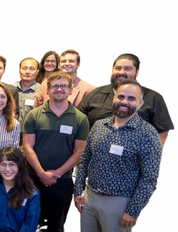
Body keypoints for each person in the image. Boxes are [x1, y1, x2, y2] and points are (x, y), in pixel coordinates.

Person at [74, 79, 163, 231]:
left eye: (131, 98)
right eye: (121, 97)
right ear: (114, 98)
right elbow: (84, 159)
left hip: (119, 204)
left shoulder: (148, 134)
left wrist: (133, 210)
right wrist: (78, 190)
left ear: (140, 103)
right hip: (89, 200)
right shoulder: (99, 125)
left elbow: (149, 178)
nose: (124, 101)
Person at [22, 71, 89, 232]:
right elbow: (27, 147)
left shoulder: (80, 118)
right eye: (55, 86)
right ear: (48, 90)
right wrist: (41, 173)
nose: (59, 89)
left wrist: (56, 173)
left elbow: (79, 152)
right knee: (29, 224)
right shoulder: (34, 115)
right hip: (33, 179)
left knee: (56, 227)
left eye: (63, 86)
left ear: (70, 89)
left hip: (62, 181)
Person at [77, 53, 173, 145]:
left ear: (137, 72)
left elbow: (162, 131)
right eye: (118, 68)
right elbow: (78, 121)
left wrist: (152, 156)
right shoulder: (95, 94)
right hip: (97, 156)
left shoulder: (153, 98)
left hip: (133, 159)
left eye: (128, 69)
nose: (121, 72)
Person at [0, 147, 40, 232]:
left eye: (12, 164)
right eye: (3, 164)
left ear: (20, 165)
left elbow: (30, 225)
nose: (7, 169)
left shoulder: (31, 194)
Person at [13, 58, 41, 128]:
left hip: (31, 133)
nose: (27, 72)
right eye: (24, 68)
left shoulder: (41, 91)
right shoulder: (11, 89)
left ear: (37, 71)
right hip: (10, 132)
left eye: (32, 69)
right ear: (19, 70)